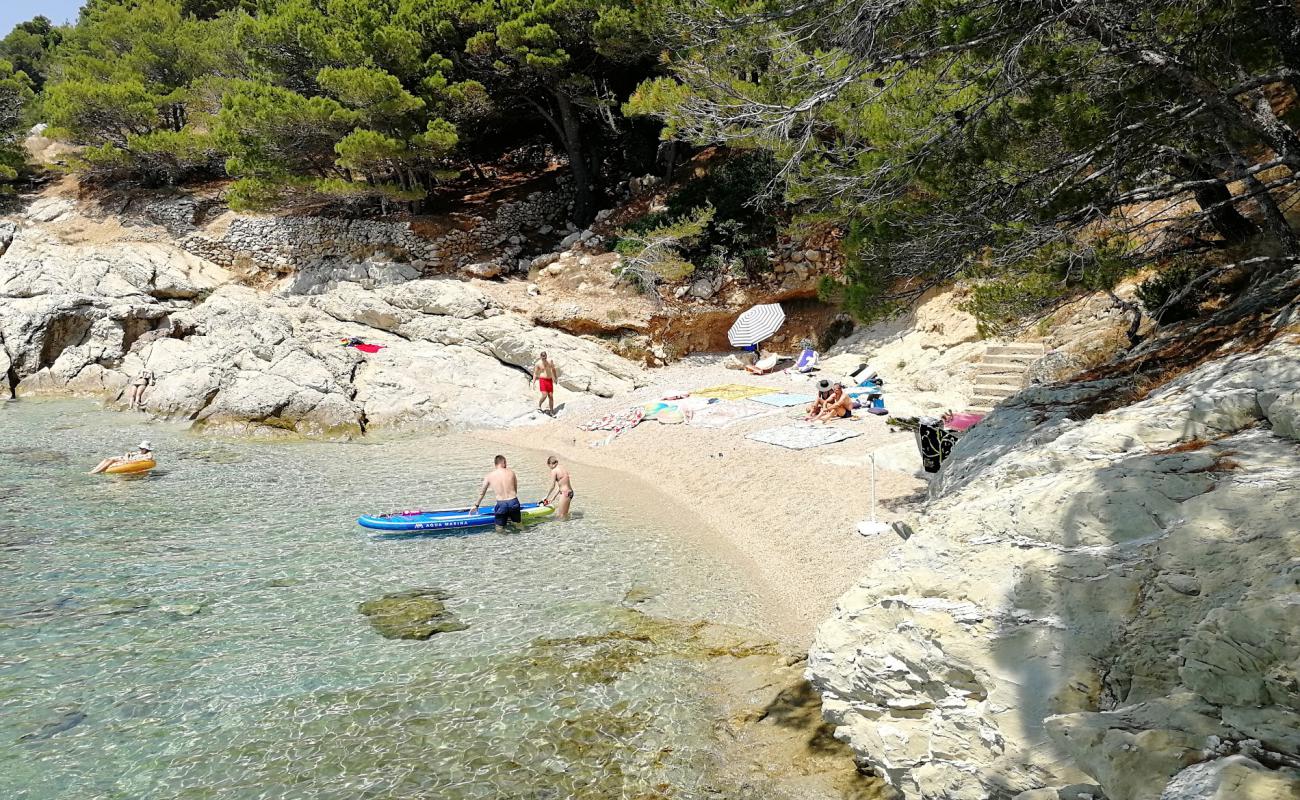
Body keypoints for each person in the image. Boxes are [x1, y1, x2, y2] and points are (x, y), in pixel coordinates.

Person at [472, 454, 521, 532]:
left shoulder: (489, 476)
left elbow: (482, 492)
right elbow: (515, 490)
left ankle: (505, 543)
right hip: (513, 502)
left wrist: (476, 505)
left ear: (495, 464)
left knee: (499, 528)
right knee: (518, 525)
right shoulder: (512, 473)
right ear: (503, 462)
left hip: (501, 504)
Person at [89, 440, 154, 474]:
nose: (140, 449)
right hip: (125, 460)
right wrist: (127, 457)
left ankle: (96, 472)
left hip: (129, 462)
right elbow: (128, 453)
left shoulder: (148, 454)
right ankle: (94, 471)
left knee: (111, 461)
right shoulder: (139, 452)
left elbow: (149, 458)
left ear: (146, 449)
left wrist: (131, 460)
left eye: (142, 448)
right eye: (140, 448)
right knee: (106, 459)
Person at [542, 455, 575, 520]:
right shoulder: (563, 468)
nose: (550, 468)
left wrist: (547, 496)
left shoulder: (554, 471)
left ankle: (563, 529)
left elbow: (552, 486)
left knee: (561, 516)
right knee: (565, 515)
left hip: (565, 494)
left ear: (551, 464)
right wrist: (553, 498)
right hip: (570, 493)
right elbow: (561, 486)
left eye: (549, 466)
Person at [531, 351, 558, 416]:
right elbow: (535, 373)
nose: (544, 359)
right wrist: (533, 382)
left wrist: (555, 378)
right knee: (544, 395)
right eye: (543, 358)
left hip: (549, 380)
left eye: (545, 357)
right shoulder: (538, 364)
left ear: (546, 356)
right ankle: (539, 405)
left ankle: (551, 411)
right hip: (542, 380)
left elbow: (553, 369)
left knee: (551, 396)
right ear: (540, 357)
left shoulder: (550, 361)